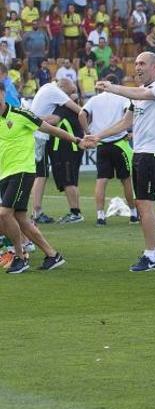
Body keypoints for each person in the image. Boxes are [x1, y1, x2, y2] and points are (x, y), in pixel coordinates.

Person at [87, 52, 155, 272]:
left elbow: (141, 93)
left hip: (152, 154)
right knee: (145, 204)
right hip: (141, 154)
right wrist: (98, 136)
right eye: (135, 63)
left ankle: (153, 255)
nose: (137, 67)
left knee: (146, 205)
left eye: (142, 63)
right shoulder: (139, 94)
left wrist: (113, 88)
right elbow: (126, 122)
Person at [0, 82, 78, 274]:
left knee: (4, 214)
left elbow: (50, 129)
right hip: (5, 173)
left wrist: (76, 139)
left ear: (2, 94)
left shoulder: (21, 114)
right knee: (20, 218)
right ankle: (52, 255)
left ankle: (20, 257)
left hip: (23, 171)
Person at [78, 74, 137, 226]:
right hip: (120, 143)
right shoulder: (122, 98)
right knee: (127, 180)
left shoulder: (94, 99)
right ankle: (134, 214)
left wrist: (88, 133)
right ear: (116, 85)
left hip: (102, 144)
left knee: (101, 180)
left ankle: (100, 216)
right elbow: (129, 115)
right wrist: (129, 130)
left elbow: (81, 114)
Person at [27, 78, 81, 224]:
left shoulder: (46, 88)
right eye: (70, 92)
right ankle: (37, 211)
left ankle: (37, 211)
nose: (71, 95)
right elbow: (78, 110)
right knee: (41, 174)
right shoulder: (56, 91)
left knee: (40, 173)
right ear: (63, 87)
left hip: (35, 135)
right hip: (39, 136)